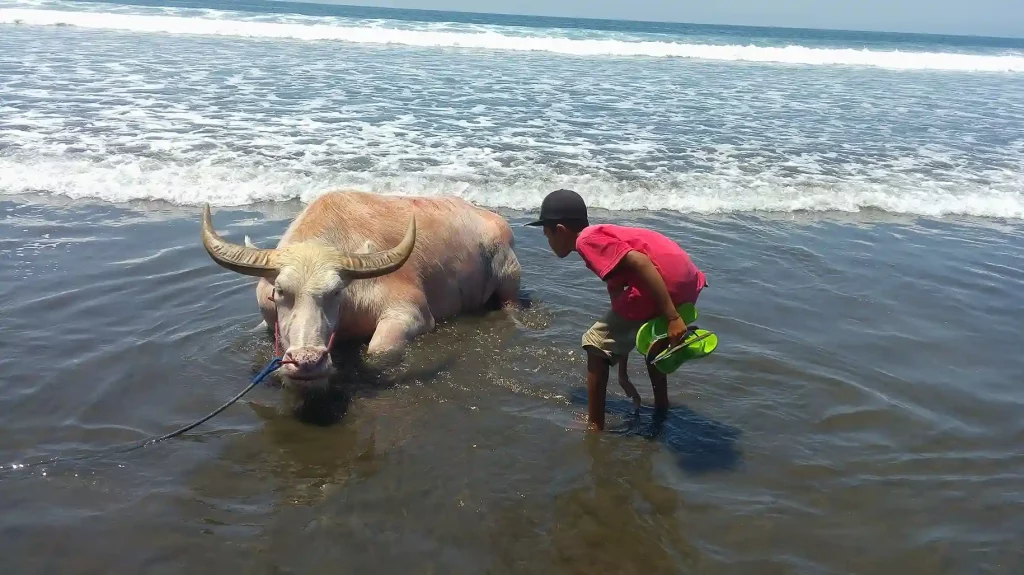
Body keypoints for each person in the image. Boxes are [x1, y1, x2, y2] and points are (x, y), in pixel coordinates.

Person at [526, 189, 708, 431]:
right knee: (652, 343)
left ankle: (594, 424)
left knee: (595, 344)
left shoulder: (586, 241)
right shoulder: (602, 237)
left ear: (560, 230)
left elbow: (641, 262)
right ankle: (661, 407)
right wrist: (622, 371)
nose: (547, 242)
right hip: (685, 279)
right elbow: (623, 316)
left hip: (663, 283)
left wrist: (673, 316)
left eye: (547, 234)